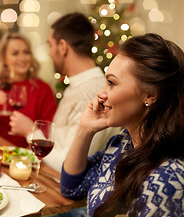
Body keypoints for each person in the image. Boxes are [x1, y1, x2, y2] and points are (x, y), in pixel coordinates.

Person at [61, 33, 184, 217]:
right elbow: (72, 187)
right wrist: (85, 129)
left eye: (111, 83)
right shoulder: (122, 143)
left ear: (150, 95)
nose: (101, 93)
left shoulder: (170, 181)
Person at [9, 13, 120, 172]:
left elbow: (68, 164)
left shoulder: (94, 94)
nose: (49, 53)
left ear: (62, 46)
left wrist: (30, 132)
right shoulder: (76, 85)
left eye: (50, 45)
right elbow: (60, 144)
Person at [0, 33, 57, 147]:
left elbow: (49, 131)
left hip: (27, 154)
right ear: (4, 59)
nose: (22, 58)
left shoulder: (43, 89)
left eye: (26, 52)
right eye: (15, 53)